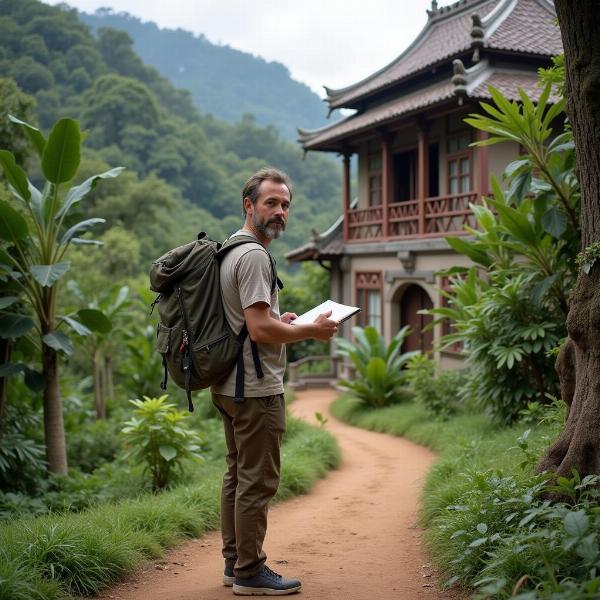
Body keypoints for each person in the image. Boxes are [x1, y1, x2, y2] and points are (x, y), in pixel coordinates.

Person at [211, 167, 338, 596]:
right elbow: (261, 331)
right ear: (249, 205)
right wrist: (311, 331)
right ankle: (250, 571)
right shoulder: (253, 257)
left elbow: (255, 323)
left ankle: (234, 563)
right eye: (271, 203)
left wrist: (283, 321)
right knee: (258, 481)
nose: (280, 211)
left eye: (285, 204)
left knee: (237, 475)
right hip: (255, 390)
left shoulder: (232, 249)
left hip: (229, 384)